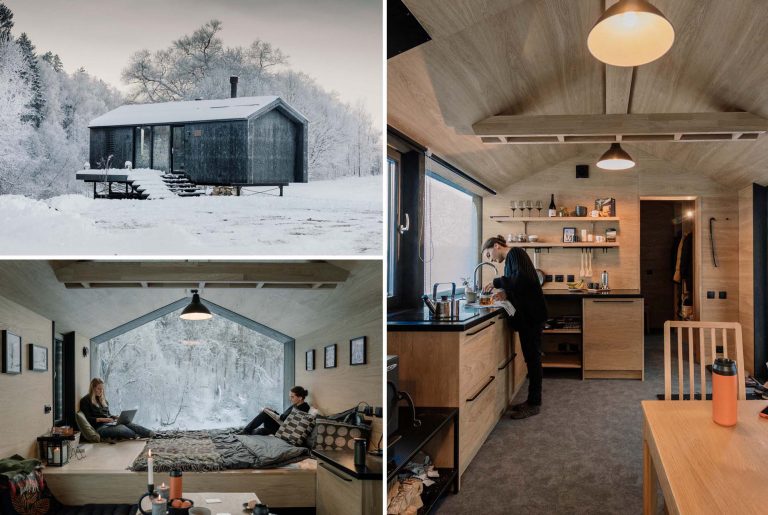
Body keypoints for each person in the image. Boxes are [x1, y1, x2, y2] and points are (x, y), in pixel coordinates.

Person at [482, 235, 548, 419]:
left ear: (496, 246)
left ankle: (534, 403)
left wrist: (497, 283)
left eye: (489, 254)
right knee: (532, 359)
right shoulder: (512, 259)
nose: (492, 259)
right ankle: (532, 401)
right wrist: (505, 293)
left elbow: (521, 280)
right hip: (530, 316)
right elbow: (519, 284)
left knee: (533, 359)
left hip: (532, 317)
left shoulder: (515, 253)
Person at [79, 378, 155, 440]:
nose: (101, 391)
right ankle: (138, 435)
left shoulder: (102, 400)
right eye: (99, 389)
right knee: (121, 428)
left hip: (108, 424)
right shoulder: (85, 401)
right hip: (99, 428)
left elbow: (107, 415)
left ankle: (151, 433)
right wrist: (102, 419)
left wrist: (115, 417)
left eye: (102, 389)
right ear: (93, 388)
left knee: (128, 423)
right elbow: (88, 419)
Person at [241, 386, 310, 435]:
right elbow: (283, 416)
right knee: (265, 413)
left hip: (283, 428)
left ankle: (247, 430)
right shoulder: (295, 404)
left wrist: (273, 414)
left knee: (262, 422)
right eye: (290, 396)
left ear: (300, 398)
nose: (290, 399)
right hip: (280, 423)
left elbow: (291, 422)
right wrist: (272, 411)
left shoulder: (303, 408)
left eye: (292, 397)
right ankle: (249, 430)